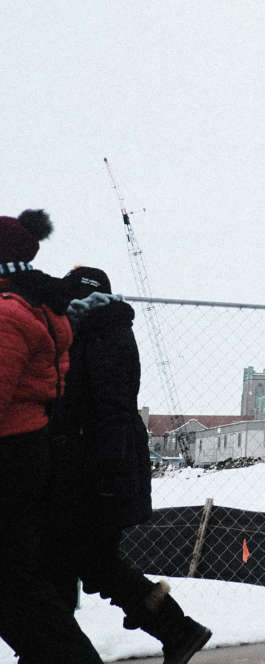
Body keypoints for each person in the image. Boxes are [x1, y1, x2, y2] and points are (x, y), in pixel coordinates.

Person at [39, 266, 212, 664]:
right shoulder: (109, 330)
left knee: (68, 562)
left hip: (92, 471)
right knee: (90, 563)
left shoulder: (95, 335)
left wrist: (105, 474)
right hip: (100, 468)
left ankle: (175, 630)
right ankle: (178, 630)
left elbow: (102, 410)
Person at [0, 209, 103, 664]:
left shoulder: (9, 316)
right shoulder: (40, 307)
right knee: (17, 578)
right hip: (27, 449)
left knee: (13, 583)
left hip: (8, 453)